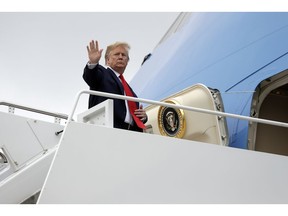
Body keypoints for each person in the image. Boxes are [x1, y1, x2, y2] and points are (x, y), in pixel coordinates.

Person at [83, 40, 148, 132]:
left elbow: (133, 115)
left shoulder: (131, 91)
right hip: (108, 129)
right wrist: (93, 63)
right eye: (117, 54)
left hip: (131, 133)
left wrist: (143, 117)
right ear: (107, 60)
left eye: (124, 55)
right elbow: (90, 77)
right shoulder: (102, 73)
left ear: (127, 61)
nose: (120, 57)